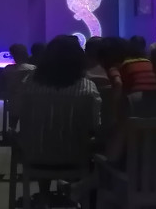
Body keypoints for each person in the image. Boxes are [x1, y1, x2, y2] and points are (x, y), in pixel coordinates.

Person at [15, 36, 101, 204]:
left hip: (35, 155)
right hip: (76, 157)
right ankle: (75, 190)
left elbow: (17, 111)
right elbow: (95, 125)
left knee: (44, 136)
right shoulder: (87, 88)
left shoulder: (29, 84)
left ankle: (44, 193)